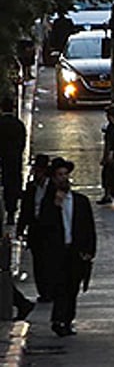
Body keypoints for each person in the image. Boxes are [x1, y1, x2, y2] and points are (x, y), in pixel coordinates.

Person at [38, 158, 95, 337]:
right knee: (60, 287)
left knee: (72, 288)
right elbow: (43, 226)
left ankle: (68, 319)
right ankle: (58, 320)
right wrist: (55, 205)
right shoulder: (49, 202)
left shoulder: (80, 201)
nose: (63, 178)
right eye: (59, 175)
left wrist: (89, 251)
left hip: (75, 251)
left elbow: (89, 228)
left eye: (65, 175)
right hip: (57, 251)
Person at [16, 154, 52, 302]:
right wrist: (20, 229)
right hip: (36, 230)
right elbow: (25, 210)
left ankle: (50, 290)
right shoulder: (31, 188)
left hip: (51, 231)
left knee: (50, 262)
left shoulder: (53, 188)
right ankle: (43, 291)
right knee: (39, 263)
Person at [0, 96, 27, 224]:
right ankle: (11, 210)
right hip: (14, 159)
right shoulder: (18, 124)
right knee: (12, 183)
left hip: (3, 158)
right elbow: (22, 142)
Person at [99, 104, 114, 205]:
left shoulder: (113, 127)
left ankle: (108, 194)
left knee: (108, 175)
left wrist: (107, 156)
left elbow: (110, 143)